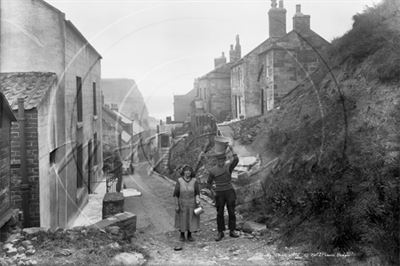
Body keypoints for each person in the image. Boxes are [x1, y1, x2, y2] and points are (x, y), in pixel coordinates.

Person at [207, 145, 239, 241]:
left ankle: (232, 230)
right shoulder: (212, 171)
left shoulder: (228, 167)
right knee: (219, 213)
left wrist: (232, 150)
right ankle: (220, 232)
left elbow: (236, 160)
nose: (221, 162)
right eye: (219, 160)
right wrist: (213, 192)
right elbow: (208, 183)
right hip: (219, 193)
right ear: (217, 161)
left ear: (224, 160)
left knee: (231, 212)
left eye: (222, 160)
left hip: (229, 191)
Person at [173, 165, 201, 242]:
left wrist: (198, 201)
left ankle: (189, 235)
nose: (188, 172)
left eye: (189, 170)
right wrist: (176, 205)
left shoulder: (194, 181)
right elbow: (176, 194)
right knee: (182, 219)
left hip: (192, 203)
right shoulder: (179, 181)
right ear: (183, 172)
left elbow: (197, 193)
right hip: (182, 203)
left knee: (191, 219)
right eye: (186, 170)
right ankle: (182, 235)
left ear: (191, 172)